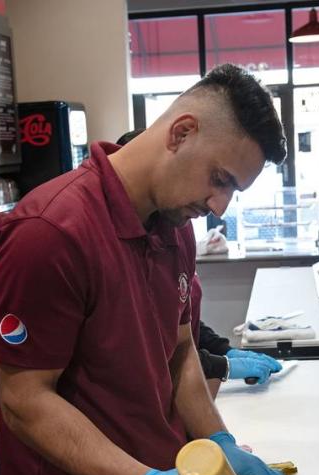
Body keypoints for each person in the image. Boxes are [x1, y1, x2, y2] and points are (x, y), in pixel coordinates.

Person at [0, 64, 288, 475]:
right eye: (220, 179)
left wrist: (220, 443)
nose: (219, 206)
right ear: (180, 132)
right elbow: (25, 403)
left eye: (233, 191)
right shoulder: (49, 232)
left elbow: (178, 353)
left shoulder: (175, 229)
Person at [116, 131, 283, 393]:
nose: (218, 207)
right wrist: (220, 365)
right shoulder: (117, 249)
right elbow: (148, 351)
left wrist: (223, 349)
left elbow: (181, 319)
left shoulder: (176, 230)